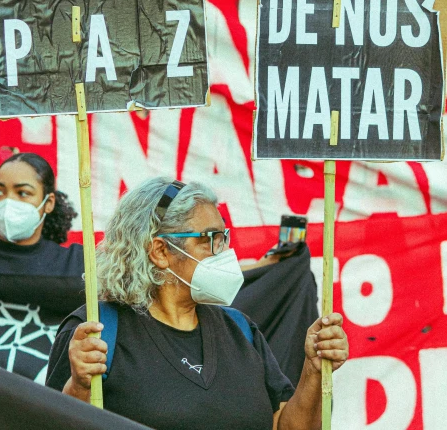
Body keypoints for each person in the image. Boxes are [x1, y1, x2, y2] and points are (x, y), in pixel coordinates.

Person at [46, 178, 348, 430]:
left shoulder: (241, 331)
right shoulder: (97, 333)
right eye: (210, 239)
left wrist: (313, 369)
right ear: (161, 251)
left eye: (224, 237)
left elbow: (285, 426)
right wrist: (79, 386)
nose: (224, 251)